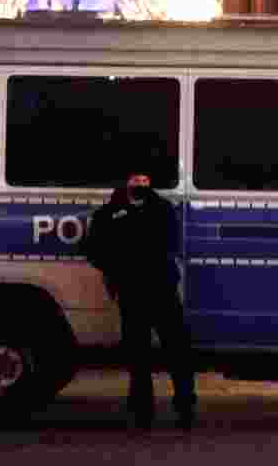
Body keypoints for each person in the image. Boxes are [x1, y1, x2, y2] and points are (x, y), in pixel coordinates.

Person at [81, 162, 196, 431]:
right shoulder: (108, 213)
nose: (141, 184)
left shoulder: (163, 209)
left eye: (145, 179)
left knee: (178, 352)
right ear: (127, 182)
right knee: (138, 357)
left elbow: (172, 243)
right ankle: (142, 414)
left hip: (162, 289)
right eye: (136, 179)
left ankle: (185, 409)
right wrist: (115, 269)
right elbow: (93, 248)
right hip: (132, 293)